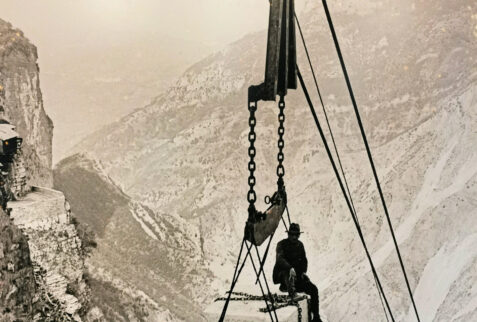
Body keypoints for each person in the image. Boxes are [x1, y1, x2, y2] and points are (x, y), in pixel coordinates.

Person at [273, 223, 322, 322]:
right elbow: (280, 259)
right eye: (292, 234)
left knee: (313, 289)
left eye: (296, 235)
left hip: (296, 278)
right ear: (288, 234)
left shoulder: (300, 245)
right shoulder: (281, 244)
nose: (294, 237)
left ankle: (316, 317)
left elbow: (304, 260)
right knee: (287, 272)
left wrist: (303, 272)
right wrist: (290, 268)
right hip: (282, 275)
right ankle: (288, 289)